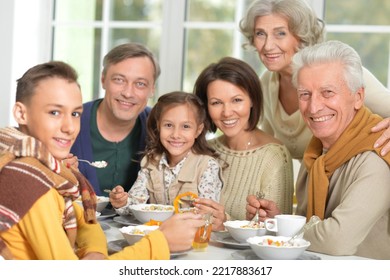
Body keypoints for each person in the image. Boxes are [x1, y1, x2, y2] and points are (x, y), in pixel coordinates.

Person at [0, 61, 204, 260]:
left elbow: (86, 222)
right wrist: (161, 243)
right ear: (21, 113)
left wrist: (94, 252)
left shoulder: (47, 169)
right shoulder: (28, 183)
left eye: (75, 113)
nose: (69, 127)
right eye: (54, 112)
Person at [247, 41, 390, 259]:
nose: (313, 107)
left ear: (358, 97)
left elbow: (336, 241)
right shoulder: (314, 154)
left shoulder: (377, 155)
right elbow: (314, 227)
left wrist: (284, 231)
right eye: (305, 94)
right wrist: (278, 221)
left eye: (327, 92)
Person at [239, 0, 390, 161]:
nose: (268, 46)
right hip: (310, 184)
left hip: (355, 178)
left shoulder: (340, 72)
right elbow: (268, 150)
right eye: (260, 33)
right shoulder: (266, 84)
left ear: (302, 35)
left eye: (280, 33)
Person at [193, 56, 294, 231]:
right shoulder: (204, 150)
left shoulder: (274, 157)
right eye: (216, 103)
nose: (226, 112)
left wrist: (225, 224)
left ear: (252, 100)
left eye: (236, 100)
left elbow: (277, 234)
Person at [109, 91, 223, 215]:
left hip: (189, 233)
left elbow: (207, 215)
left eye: (185, 126)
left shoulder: (207, 166)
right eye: (168, 125)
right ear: (158, 126)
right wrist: (122, 202)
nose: (175, 135)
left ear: (198, 130)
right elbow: (134, 206)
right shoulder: (150, 162)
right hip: (157, 232)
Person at [70, 43, 160, 196]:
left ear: (152, 89)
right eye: (119, 80)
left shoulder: (161, 128)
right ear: (103, 79)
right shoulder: (70, 121)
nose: (128, 93)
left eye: (140, 84)